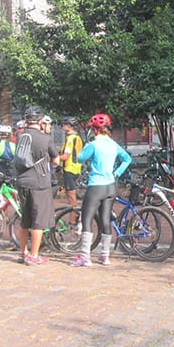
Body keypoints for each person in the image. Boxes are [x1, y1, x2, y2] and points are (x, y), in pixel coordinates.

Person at [71, 113, 132, 267]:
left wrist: (87, 144)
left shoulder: (93, 144)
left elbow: (80, 158)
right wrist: (117, 173)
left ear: (94, 130)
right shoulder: (113, 144)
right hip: (110, 186)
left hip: (96, 186)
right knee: (105, 220)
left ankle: (85, 257)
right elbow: (127, 159)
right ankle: (105, 256)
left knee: (87, 219)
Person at [15, 107, 60, 266]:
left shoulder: (21, 137)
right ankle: (34, 255)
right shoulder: (45, 138)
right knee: (38, 221)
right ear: (41, 121)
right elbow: (56, 160)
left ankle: (23, 253)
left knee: (25, 219)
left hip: (22, 182)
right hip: (39, 183)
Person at [58, 117, 83, 210]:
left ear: (69, 125)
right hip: (76, 168)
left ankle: (74, 218)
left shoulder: (70, 139)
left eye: (63, 125)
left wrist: (52, 159)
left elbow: (65, 156)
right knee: (71, 197)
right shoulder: (78, 137)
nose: (62, 127)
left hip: (69, 169)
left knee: (72, 199)